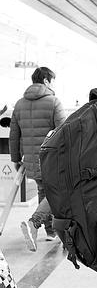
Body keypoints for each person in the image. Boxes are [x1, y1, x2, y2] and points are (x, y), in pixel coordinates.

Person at [10, 66, 66, 252]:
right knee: (57, 193)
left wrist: (16, 158)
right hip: (53, 160)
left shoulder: (19, 104)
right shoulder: (54, 102)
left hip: (32, 160)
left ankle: (50, 231)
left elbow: (14, 135)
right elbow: (64, 133)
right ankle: (43, 226)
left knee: (44, 191)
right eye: (53, 81)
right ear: (46, 81)